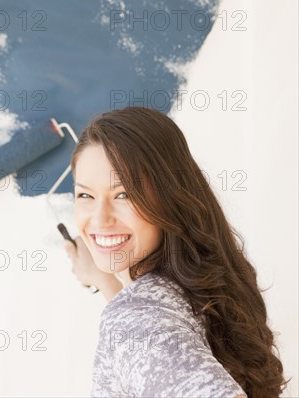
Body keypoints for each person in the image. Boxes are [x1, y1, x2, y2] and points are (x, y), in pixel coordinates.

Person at [63, 107, 290, 397]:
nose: (99, 219)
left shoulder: (136, 322)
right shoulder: (192, 287)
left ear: (168, 197)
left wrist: (124, 305)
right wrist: (109, 283)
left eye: (124, 195)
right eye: (85, 195)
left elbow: (145, 330)